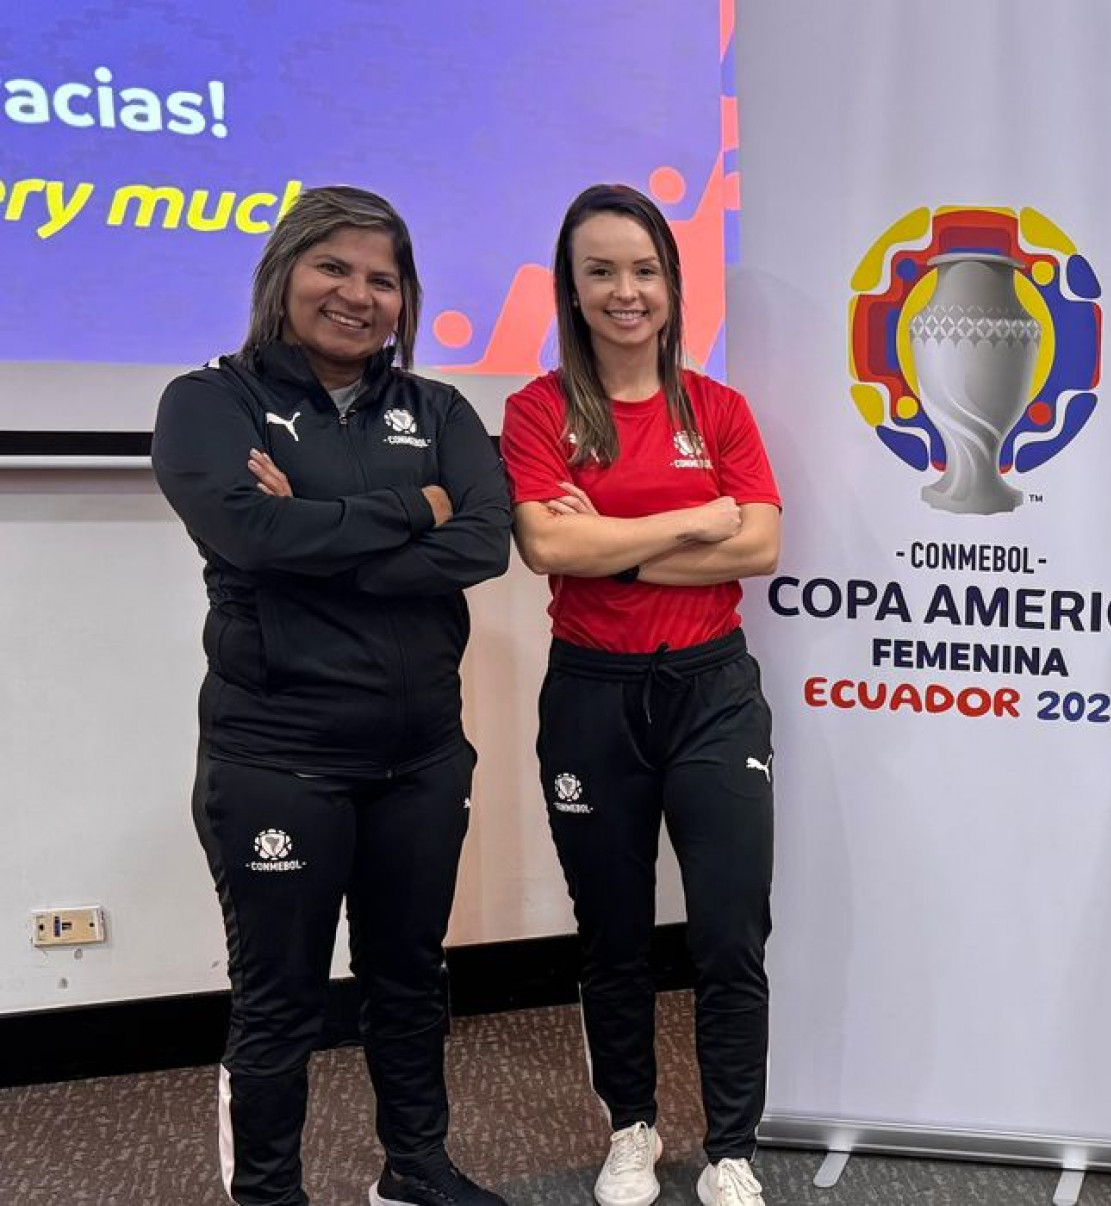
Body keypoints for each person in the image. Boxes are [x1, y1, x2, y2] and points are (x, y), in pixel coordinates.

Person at [151, 185, 514, 1206]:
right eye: (334, 268)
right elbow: (249, 534)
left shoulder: (439, 410)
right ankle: (270, 1195)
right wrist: (416, 506)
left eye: (382, 279)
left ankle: (415, 1169)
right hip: (279, 758)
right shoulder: (210, 402)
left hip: (422, 757)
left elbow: (482, 543)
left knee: (411, 976)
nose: (357, 294)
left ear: (405, 299)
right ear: (284, 275)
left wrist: (314, 531)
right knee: (280, 1000)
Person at [498, 184, 781, 1206]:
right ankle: (632, 1128)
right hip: (593, 696)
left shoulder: (720, 409)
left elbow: (760, 543)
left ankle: (732, 1145)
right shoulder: (538, 411)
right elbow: (546, 545)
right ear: (572, 290)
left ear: (671, 284)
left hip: (711, 690)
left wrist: (610, 546)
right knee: (611, 933)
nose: (627, 291)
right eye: (602, 271)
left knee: (729, 931)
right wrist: (693, 521)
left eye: (645, 270)